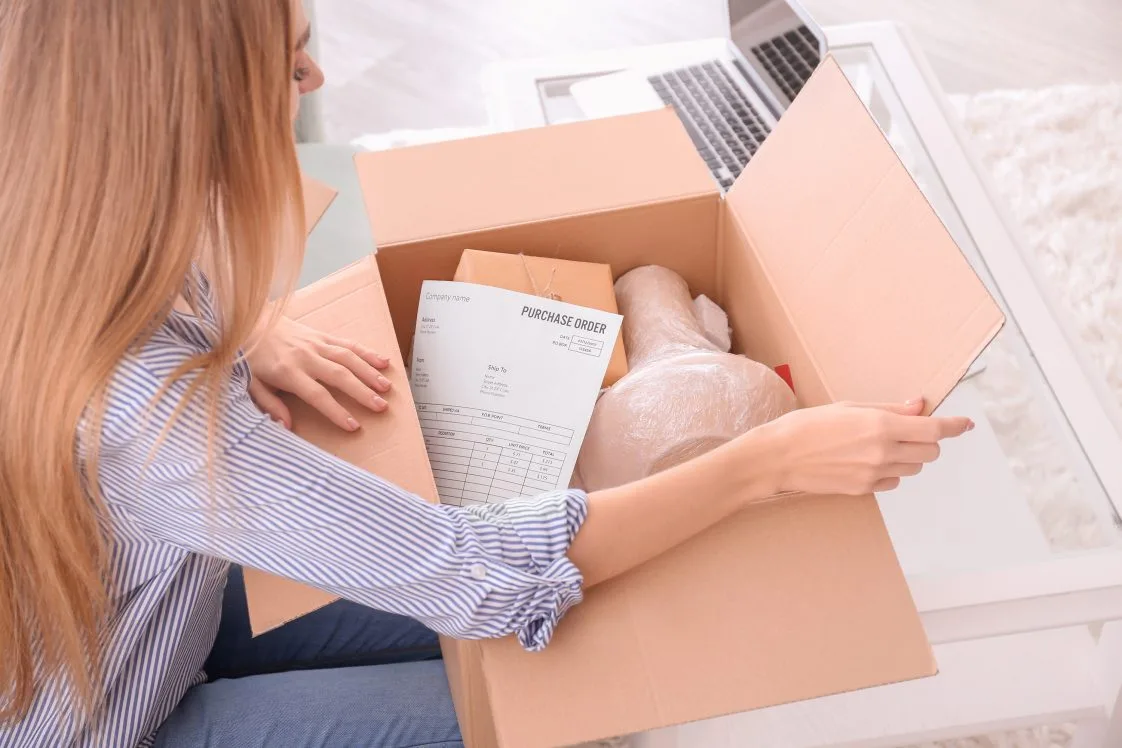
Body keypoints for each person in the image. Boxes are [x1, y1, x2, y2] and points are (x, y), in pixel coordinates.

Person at [0, 1, 974, 746]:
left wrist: (251, 328)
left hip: (145, 598)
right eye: (288, 59)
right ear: (181, 115)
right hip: (108, 713)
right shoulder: (149, 417)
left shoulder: (60, 211)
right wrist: (769, 462)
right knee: (562, 702)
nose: (315, 76)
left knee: (583, 610)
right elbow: (484, 581)